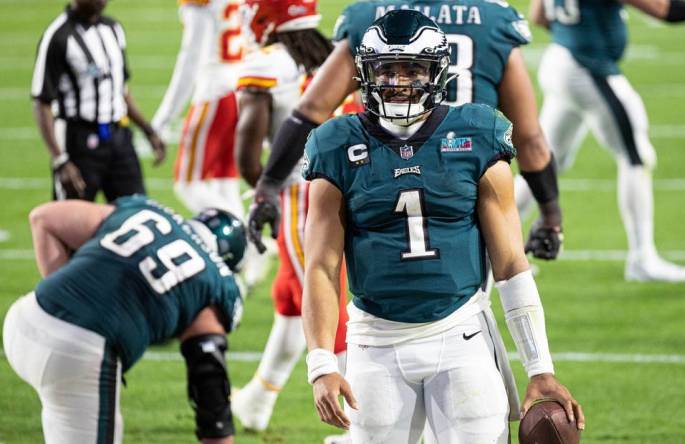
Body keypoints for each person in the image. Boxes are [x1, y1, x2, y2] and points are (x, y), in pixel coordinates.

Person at [301, 11, 584, 443]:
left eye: (412, 68)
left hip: (460, 334)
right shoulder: (336, 144)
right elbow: (321, 266)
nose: (398, 81)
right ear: (365, 74)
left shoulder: (476, 134)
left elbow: (509, 263)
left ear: (437, 72)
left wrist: (540, 367)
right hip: (374, 340)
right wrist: (321, 364)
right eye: (387, 69)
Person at [246, 0, 565, 262]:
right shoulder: (494, 19)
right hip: (466, 181)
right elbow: (530, 139)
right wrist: (551, 217)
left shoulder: (368, 17)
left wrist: (268, 186)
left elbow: (310, 111)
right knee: (469, 304)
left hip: (380, 180)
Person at [3, 195, 246, 443]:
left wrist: (71, 302)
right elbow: (207, 368)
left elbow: (43, 218)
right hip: (78, 350)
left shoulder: (145, 212)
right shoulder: (214, 281)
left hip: (24, 319)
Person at [527, 0, 685, 282]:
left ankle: (494, 249)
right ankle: (642, 258)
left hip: (561, 58)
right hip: (588, 67)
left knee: (543, 161)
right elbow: (663, 10)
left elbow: (538, 16)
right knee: (637, 157)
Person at [229, 0, 352, 431]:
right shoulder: (337, 53)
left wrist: (265, 193)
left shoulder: (266, 64)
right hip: (356, 188)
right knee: (289, 298)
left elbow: (247, 158)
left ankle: (364, 430)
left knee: (327, 310)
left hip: (306, 200)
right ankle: (258, 400)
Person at [32, 0, 166, 202]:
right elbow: (42, 102)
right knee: (73, 223)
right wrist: (60, 160)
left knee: (137, 214)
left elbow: (120, 90)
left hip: (119, 136)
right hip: (78, 142)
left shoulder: (113, 29)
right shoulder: (58, 36)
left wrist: (148, 130)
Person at [151, 0, 245, 218]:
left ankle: (243, 235)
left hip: (215, 92)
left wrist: (163, 119)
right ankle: (247, 247)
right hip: (239, 89)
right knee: (225, 180)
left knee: (187, 184)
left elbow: (191, 59)